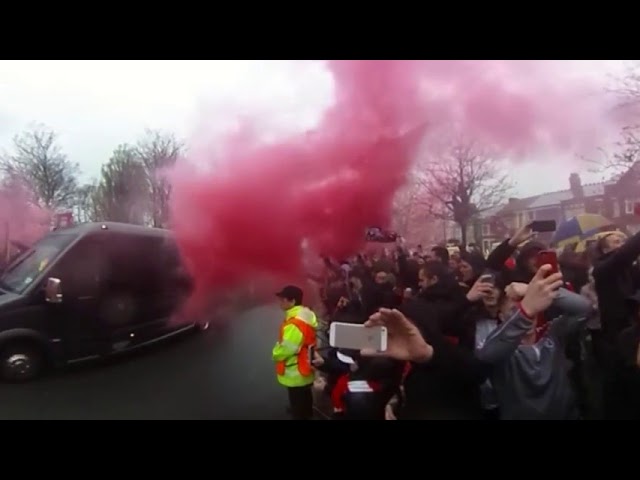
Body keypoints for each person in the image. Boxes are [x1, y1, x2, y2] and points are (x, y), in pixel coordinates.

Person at [272, 285, 318, 420]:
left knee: (297, 401)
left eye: (283, 299)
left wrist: (275, 352)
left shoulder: (295, 323)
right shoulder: (304, 316)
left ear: (292, 301)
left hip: (296, 369)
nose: (280, 302)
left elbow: (287, 349)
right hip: (304, 365)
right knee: (305, 396)